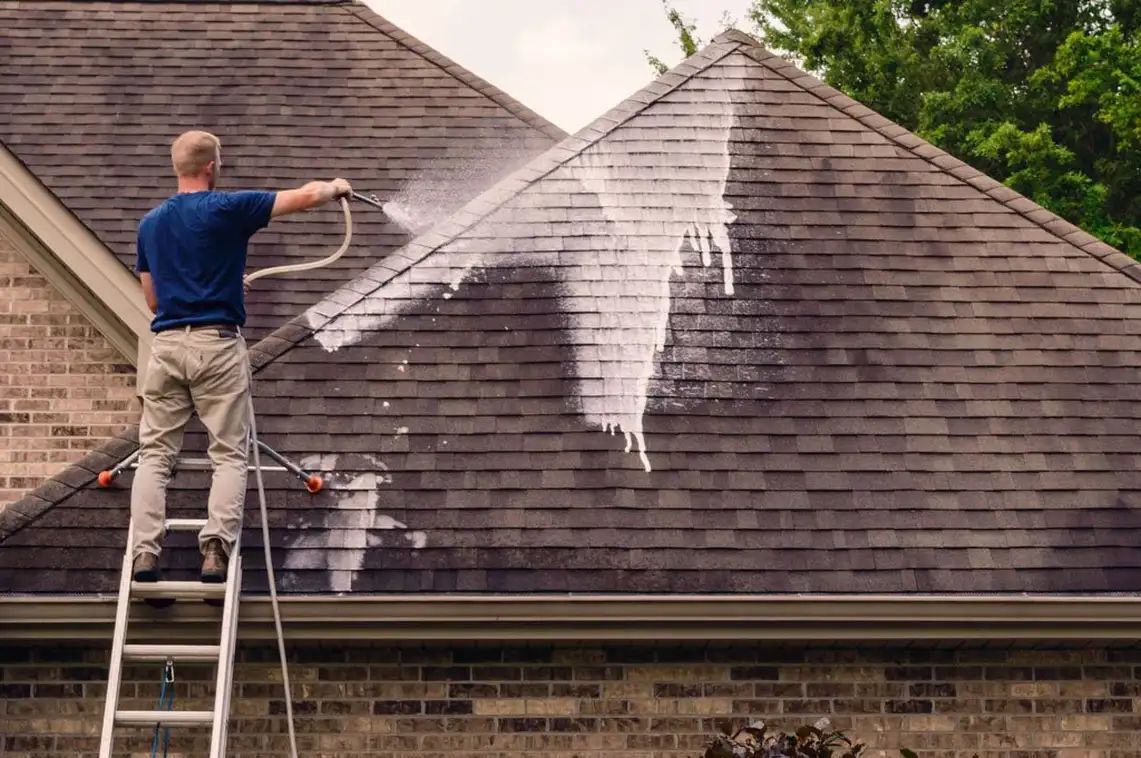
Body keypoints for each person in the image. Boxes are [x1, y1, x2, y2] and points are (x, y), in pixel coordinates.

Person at [130, 130, 350, 584]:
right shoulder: (227, 208)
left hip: (168, 347)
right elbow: (304, 197)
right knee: (229, 454)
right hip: (217, 345)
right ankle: (214, 551)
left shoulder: (150, 223)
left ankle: (144, 555)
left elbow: (153, 300)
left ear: (178, 167)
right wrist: (335, 187)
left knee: (154, 455)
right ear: (211, 166)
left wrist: (223, 283)